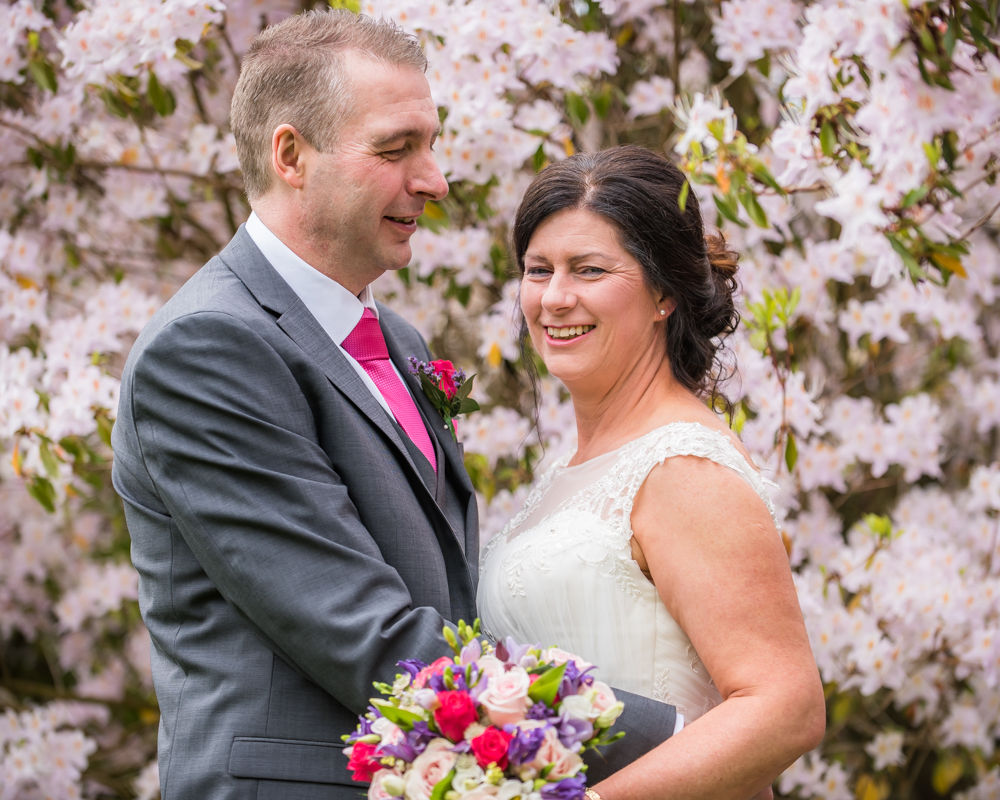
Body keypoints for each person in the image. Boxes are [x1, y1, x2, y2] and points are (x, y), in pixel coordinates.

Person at [112, 12, 677, 799]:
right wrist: (684, 745)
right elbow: (372, 638)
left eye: (431, 145)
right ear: (290, 156)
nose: (435, 180)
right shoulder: (210, 348)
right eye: (395, 149)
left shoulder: (399, 339)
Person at [478, 145, 826, 800]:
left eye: (589, 269)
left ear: (664, 291)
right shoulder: (565, 470)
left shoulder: (682, 466)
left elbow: (785, 707)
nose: (555, 298)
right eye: (538, 270)